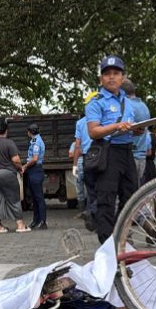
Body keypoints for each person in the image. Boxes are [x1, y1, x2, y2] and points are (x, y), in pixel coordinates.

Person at [86, 55, 139, 244]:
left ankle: (119, 237)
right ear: (101, 78)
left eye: (116, 73)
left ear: (123, 77)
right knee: (106, 201)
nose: (111, 77)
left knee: (132, 197)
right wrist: (116, 127)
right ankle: (107, 249)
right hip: (108, 153)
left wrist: (137, 129)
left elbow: (130, 125)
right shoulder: (96, 101)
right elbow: (93, 131)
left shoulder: (127, 101)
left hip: (127, 152)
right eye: (107, 74)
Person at [0, 117, 30, 233]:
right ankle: (20, 225)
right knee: (13, 199)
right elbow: (16, 159)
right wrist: (20, 167)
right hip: (6, 173)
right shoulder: (9, 143)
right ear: (6, 131)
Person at [73, 92, 99, 231]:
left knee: (90, 190)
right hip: (101, 157)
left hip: (86, 159)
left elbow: (78, 145)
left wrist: (75, 164)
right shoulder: (102, 119)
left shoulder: (80, 123)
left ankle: (91, 216)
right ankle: (94, 215)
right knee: (102, 189)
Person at [122, 78, 151, 186]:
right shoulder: (144, 106)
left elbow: (122, 129)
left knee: (128, 193)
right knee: (137, 191)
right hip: (141, 154)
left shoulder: (127, 106)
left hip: (130, 156)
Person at [22, 123, 47, 229]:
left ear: (30, 132)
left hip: (35, 170)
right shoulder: (34, 140)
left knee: (39, 197)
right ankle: (36, 220)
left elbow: (35, 158)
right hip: (33, 171)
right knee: (34, 198)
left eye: (28, 131)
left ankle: (42, 221)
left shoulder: (36, 142)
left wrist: (25, 166)